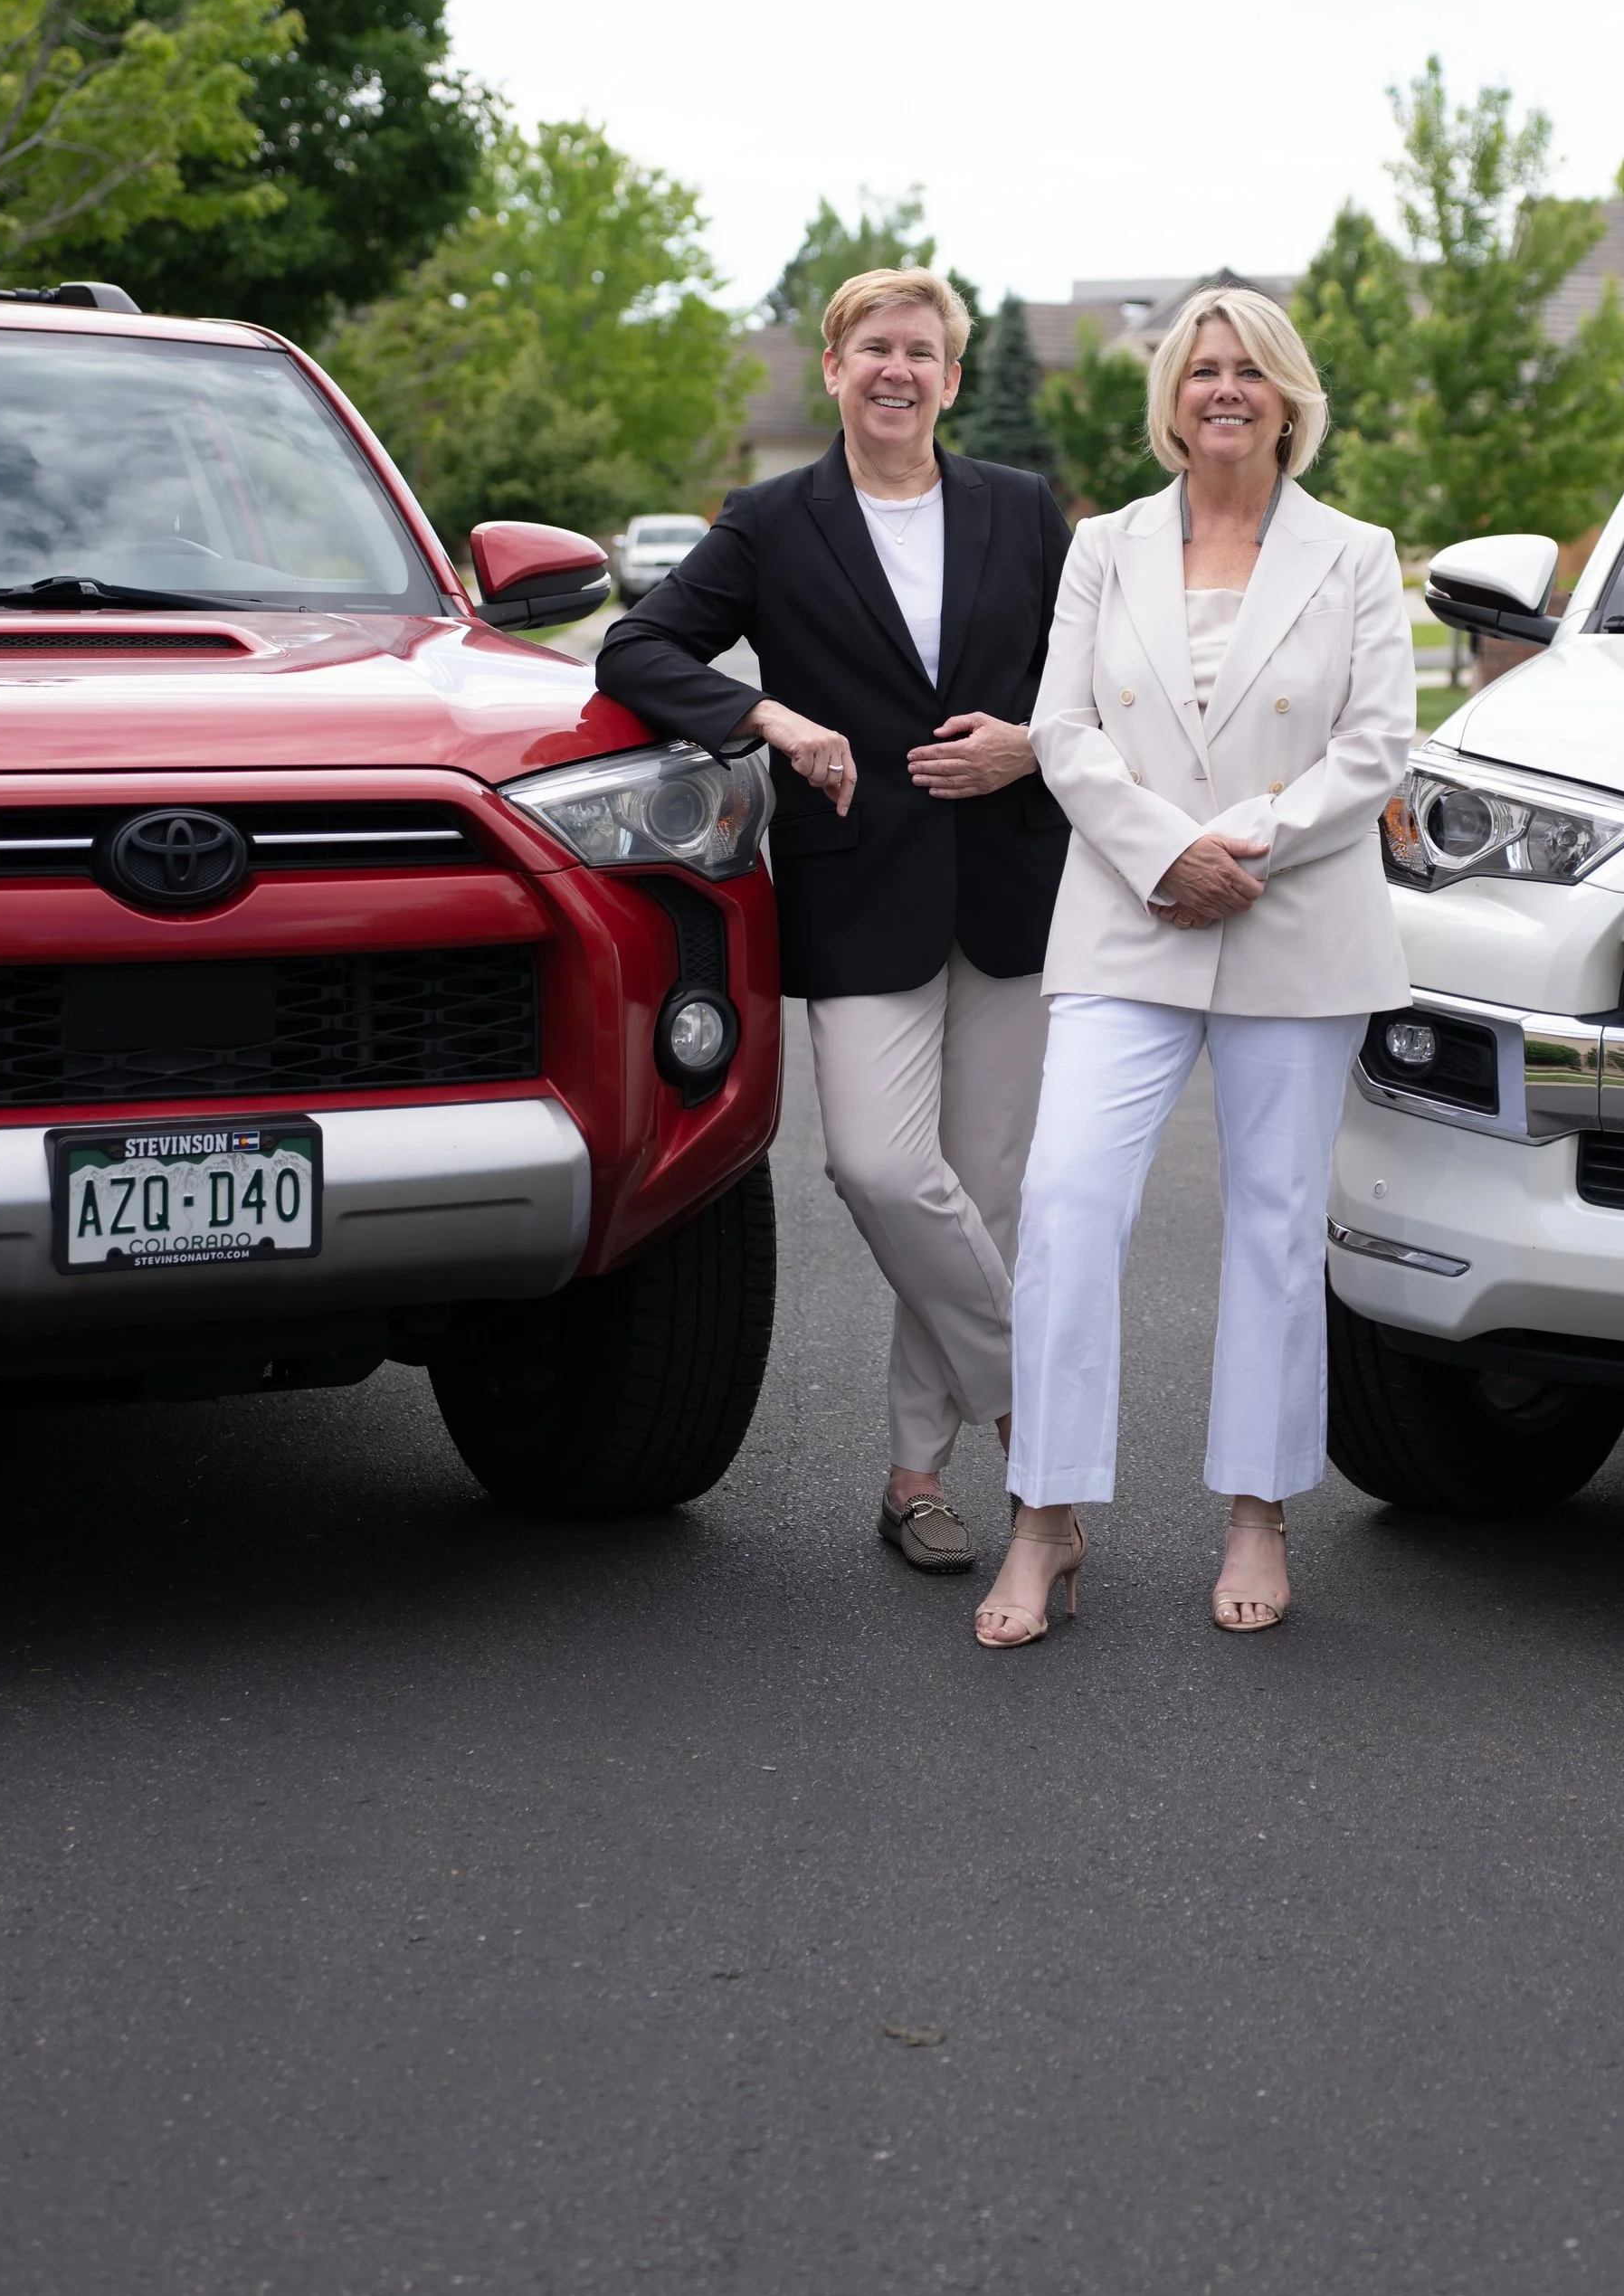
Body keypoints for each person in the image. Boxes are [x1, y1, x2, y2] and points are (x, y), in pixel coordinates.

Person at [596, 268, 1070, 1573]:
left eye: (922, 349)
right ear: (833, 367)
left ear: (953, 377)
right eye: (875, 347)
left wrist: (1030, 747)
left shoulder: (1023, 512)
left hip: (1015, 891)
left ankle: (918, 1477)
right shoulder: (772, 520)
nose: (897, 369)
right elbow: (635, 648)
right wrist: (772, 718)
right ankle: (1043, 1423)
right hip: (858, 887)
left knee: (974, 1194)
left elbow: (1106, 675)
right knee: (877, 1167)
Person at [973, 285, 1416, 1648]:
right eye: (1202, 369)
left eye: (1250, 371)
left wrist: (1247, 842)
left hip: (1297, 915)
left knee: (1276, 1223)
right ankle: (1045, 1515)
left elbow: (1379, 742)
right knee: (1064, 1199)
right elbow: (1062, 726)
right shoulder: (1103, 548)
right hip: (1129, 912)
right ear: (1172, 397)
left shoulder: (1354, 553)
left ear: (1289, 397)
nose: (1225, 388)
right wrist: (1170, 855)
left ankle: (1258, 1508)